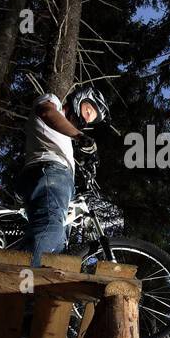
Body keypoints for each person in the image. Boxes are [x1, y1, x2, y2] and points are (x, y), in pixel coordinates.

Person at [18, 84, 110, 267]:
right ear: (79, 99)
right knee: (50, 229)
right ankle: (18, 284)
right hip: (49, 171)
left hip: (58, 178)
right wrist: (80, 136)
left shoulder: (65, 138)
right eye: (88, 111)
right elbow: (47, 112)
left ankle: (35, 285)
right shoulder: (53, 102)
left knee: (58, 244)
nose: (85, 120)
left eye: (89, 121)